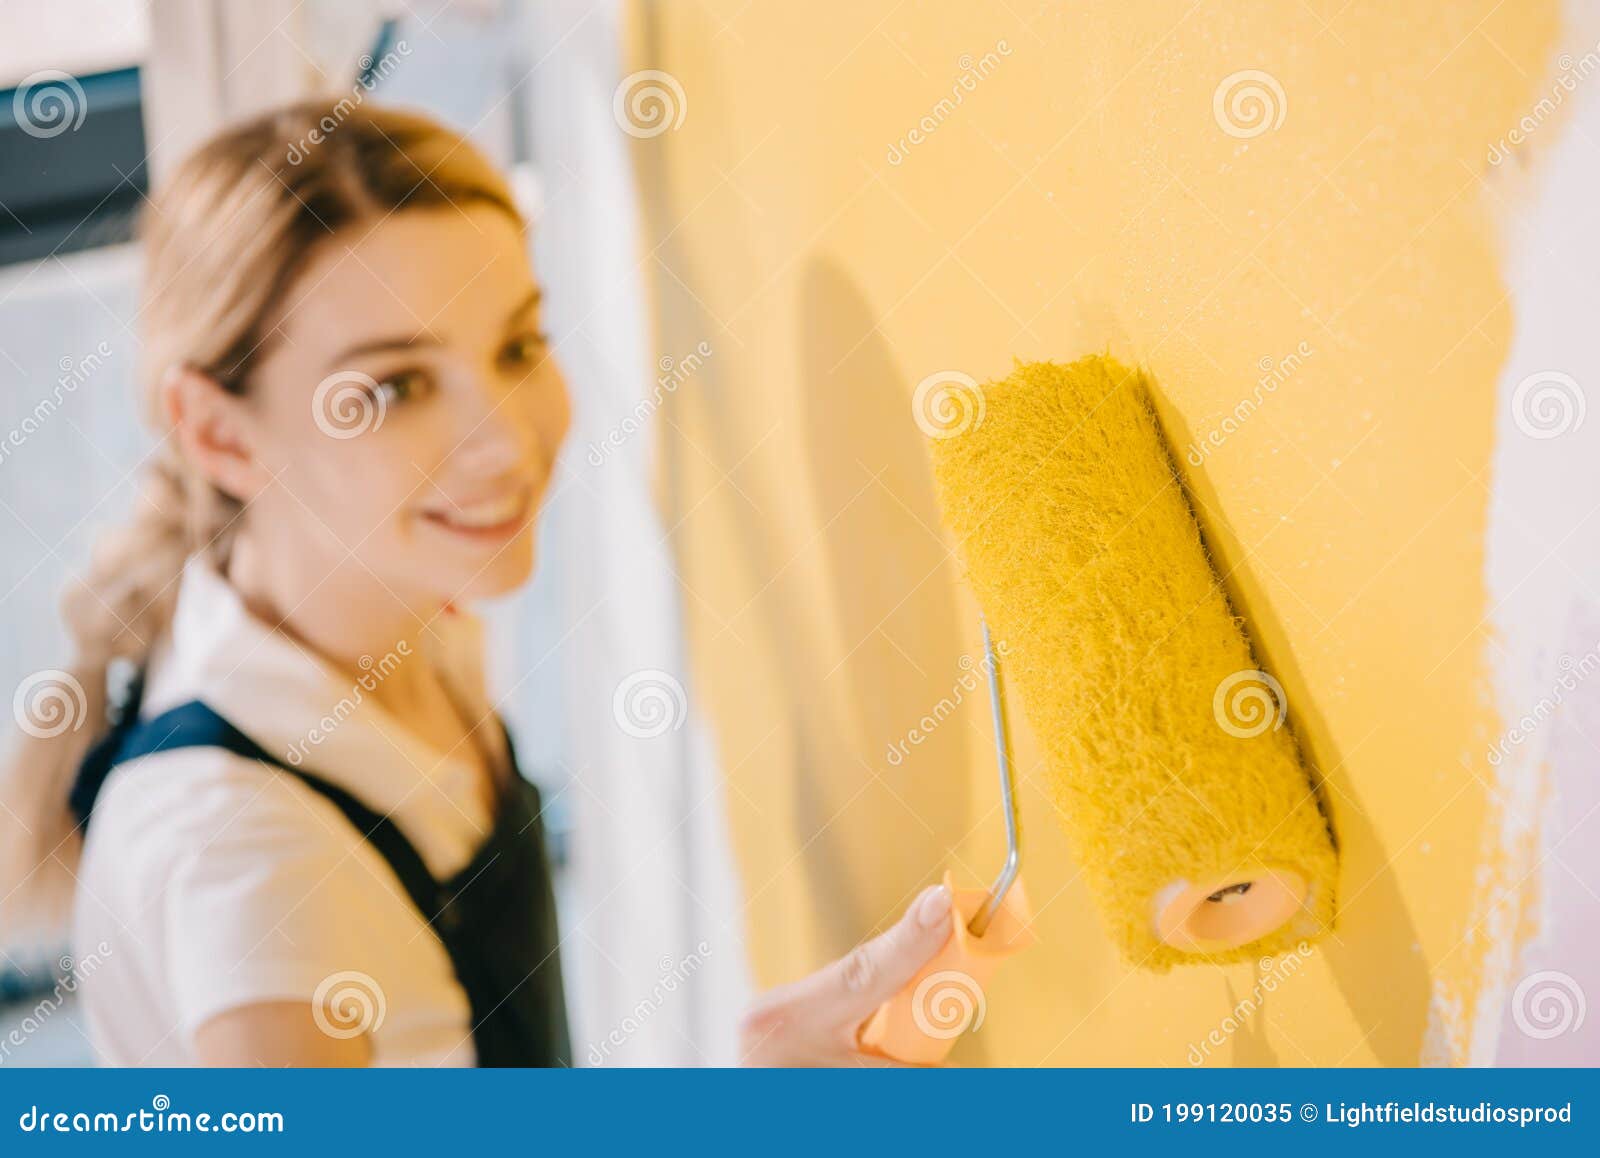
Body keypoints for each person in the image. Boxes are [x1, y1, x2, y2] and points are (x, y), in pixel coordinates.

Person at [0, 102, 953, 1067]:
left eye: (517, 347)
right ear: (217, 434)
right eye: (395, 388)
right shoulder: (248, 862)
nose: (506, 442)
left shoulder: (396, 599)